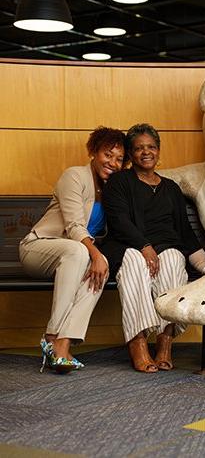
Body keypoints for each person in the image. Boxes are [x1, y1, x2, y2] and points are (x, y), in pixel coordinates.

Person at [101, 123, 205, 373]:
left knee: (174, 259)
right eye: (139, 148)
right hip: (127, 246)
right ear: (130, 154)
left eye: (151, 147)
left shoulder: (171, 189)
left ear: (158, 151)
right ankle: (138, 342)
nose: (146, 152)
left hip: (166, 249)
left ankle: (165, 342)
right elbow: (119, 221)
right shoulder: (119, 182)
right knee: (134, 261)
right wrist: (144, 246)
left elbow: (185, 233)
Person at [19, 127, 127, 373]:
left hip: (72, 257)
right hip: (39, 248)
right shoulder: (74, 176)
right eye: (107, 154)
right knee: (79, 252)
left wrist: (100, 259)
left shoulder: (112, 189)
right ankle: (51, 335)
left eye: (119, 159)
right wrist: (96, 254)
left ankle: (63, 345)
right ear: (93, 151)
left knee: (102, 269)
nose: (113, 163)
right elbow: (74, 225)